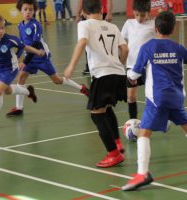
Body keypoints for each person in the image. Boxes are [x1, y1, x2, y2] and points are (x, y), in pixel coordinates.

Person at [122, 11, 187, 191]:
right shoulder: (178, 48)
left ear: (155, 28)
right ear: (173, 29)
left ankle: (142, 173)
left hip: (157, 99)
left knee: (144, 134)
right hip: (176, 98)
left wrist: (129, 77)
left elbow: (135, 72)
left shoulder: (148, 47)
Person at [64, 0, 129, 168]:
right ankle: (118, 144)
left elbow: (82, 42)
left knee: (96, 113)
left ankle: (113, 154)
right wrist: (119, 65)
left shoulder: (85, 24)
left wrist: (71, 65)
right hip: (119, 73)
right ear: (102, 9)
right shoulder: (113, 26)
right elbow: (125, 49)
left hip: (102, 74)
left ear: (84, 12)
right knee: (106, 109)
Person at [6, 0, 88, 117]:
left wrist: (24, 61)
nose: (28, 12)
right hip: (29, 57)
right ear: (20, 11)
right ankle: (19, 108)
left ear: (34, 11)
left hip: (41, 56)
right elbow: (23, 44)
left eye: (31, 9)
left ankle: (82, 88)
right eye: (25, 9)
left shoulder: (36, 25)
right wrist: (18, 55)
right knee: (21, 78)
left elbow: (35, 44)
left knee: (57, 80)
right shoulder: (20, 25)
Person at [0, 12, 44, 130]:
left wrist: (37, 51)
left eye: (2, 28)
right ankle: (29, 92)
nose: (1, 31)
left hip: (10, 68)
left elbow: (23, 46)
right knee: (8, 91)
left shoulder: (9, 39)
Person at [121, 0, 155, 119]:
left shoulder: (153, 25)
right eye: (136, 15)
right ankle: (133, 121)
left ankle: (156, 119)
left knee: (151, 96)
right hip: (132, 65)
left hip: (149, 66)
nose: (139, 18)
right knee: (130, 97)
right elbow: (122, 42)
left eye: (142, 15)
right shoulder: (129, 23)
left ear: (148, 13)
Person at [76, 0, 113, 75]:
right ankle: (91, 65)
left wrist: (109, 13)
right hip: (91, 12)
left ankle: (102, 64)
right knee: (90, 41)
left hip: (96, 12)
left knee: (99, 39)